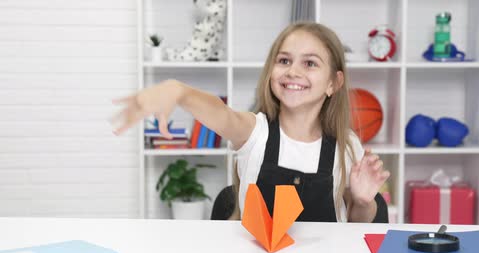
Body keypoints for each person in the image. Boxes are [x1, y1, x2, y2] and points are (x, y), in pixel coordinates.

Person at [112, 22, 390, 223]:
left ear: (333, 82)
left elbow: (356, 226)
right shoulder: (256, 132)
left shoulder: (347, 145)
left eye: (310, 64)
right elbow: (223, 115)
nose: (293, 71)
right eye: (284, 60)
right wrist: (179, 91)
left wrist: (364, 202)